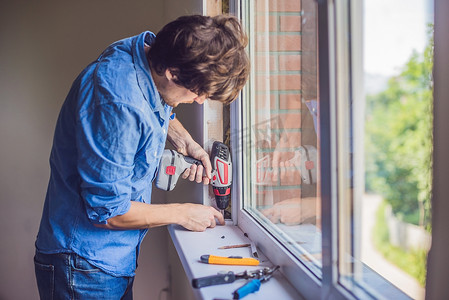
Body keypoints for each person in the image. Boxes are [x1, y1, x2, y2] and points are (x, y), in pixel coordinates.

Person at [34, 14, 249, 299]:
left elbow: (152, 100)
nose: (199, 100)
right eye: (198, 92)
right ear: (173, 72)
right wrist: (183, 213)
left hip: (110, 259)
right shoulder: (116, 101)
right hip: (84, 268)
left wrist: (186, 142)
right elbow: (107, 211)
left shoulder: (144, 55)